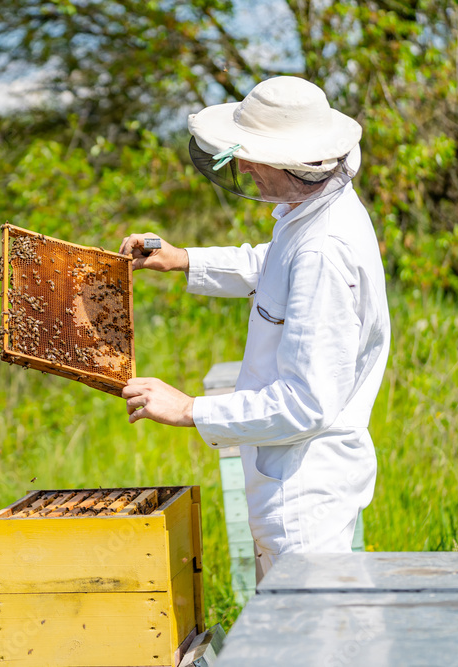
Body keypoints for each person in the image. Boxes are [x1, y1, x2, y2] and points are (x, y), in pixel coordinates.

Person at [119, 76, 391, 576]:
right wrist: (182, 259)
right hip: (291, 476)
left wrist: (190, 410)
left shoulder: (325, 250)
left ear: (294, 161)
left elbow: (306, 402)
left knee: (309, 648)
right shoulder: (312, 208)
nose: (241, 165)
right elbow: (275, 265)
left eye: (253, 154)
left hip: (304, 495)